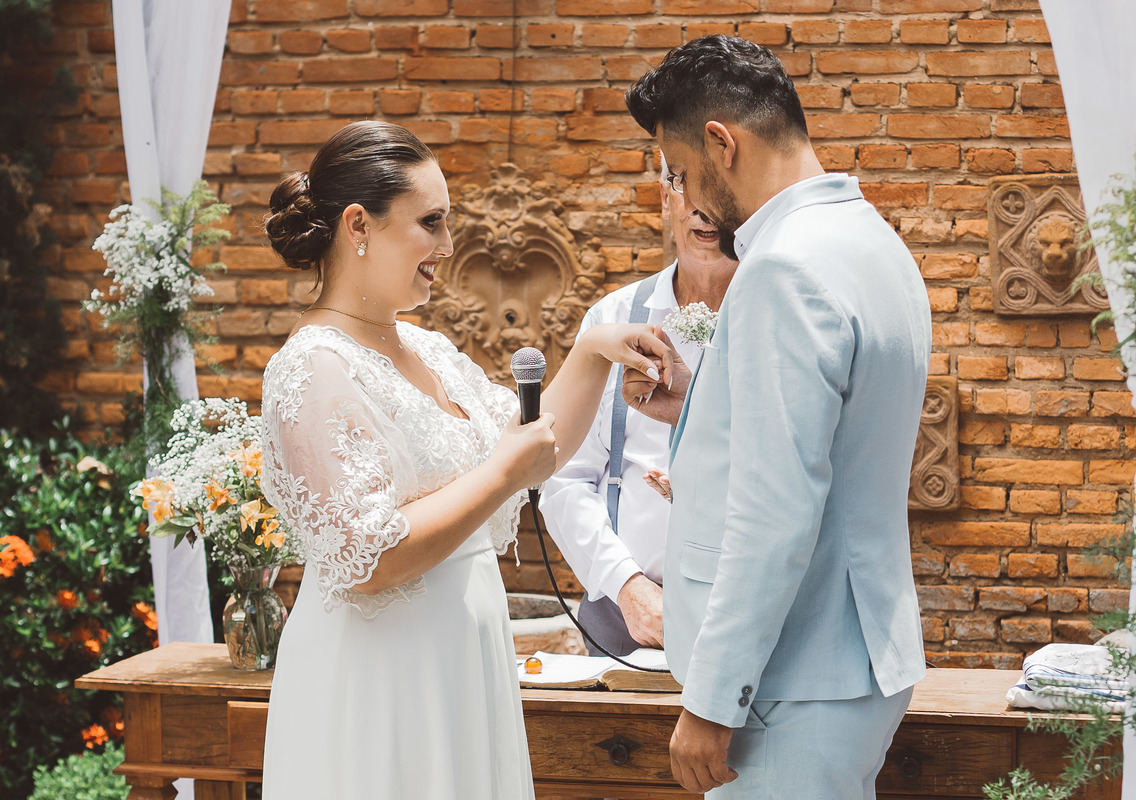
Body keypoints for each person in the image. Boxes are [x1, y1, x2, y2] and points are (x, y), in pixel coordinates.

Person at [257, 120, 671, 800]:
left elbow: (535, 441)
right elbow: (369, 559)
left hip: (461, 660)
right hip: (381, 676)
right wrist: (502, 474)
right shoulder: (311, 368)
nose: (447, 247)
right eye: (431, 223)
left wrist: (594, 351)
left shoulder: (430, 352)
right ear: (358, 225)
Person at [622, 35, 933, 798]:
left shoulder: (782, 267)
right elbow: (828, 436)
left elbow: (776, 510)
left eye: (683, 171)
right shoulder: (872, 242)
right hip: (850, 656)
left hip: (790, 680)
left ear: (721, 144)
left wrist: (712, 698)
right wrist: (703, 405)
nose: (689, 197)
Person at [540, 158, 738, 656]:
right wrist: (626, 586)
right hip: (622, 618)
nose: (703, 210)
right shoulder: (611, 319)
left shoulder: (780, 319)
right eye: (686, 185)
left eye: (720, 189)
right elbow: (565, 478)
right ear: (665, 197)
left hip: (750, 617)